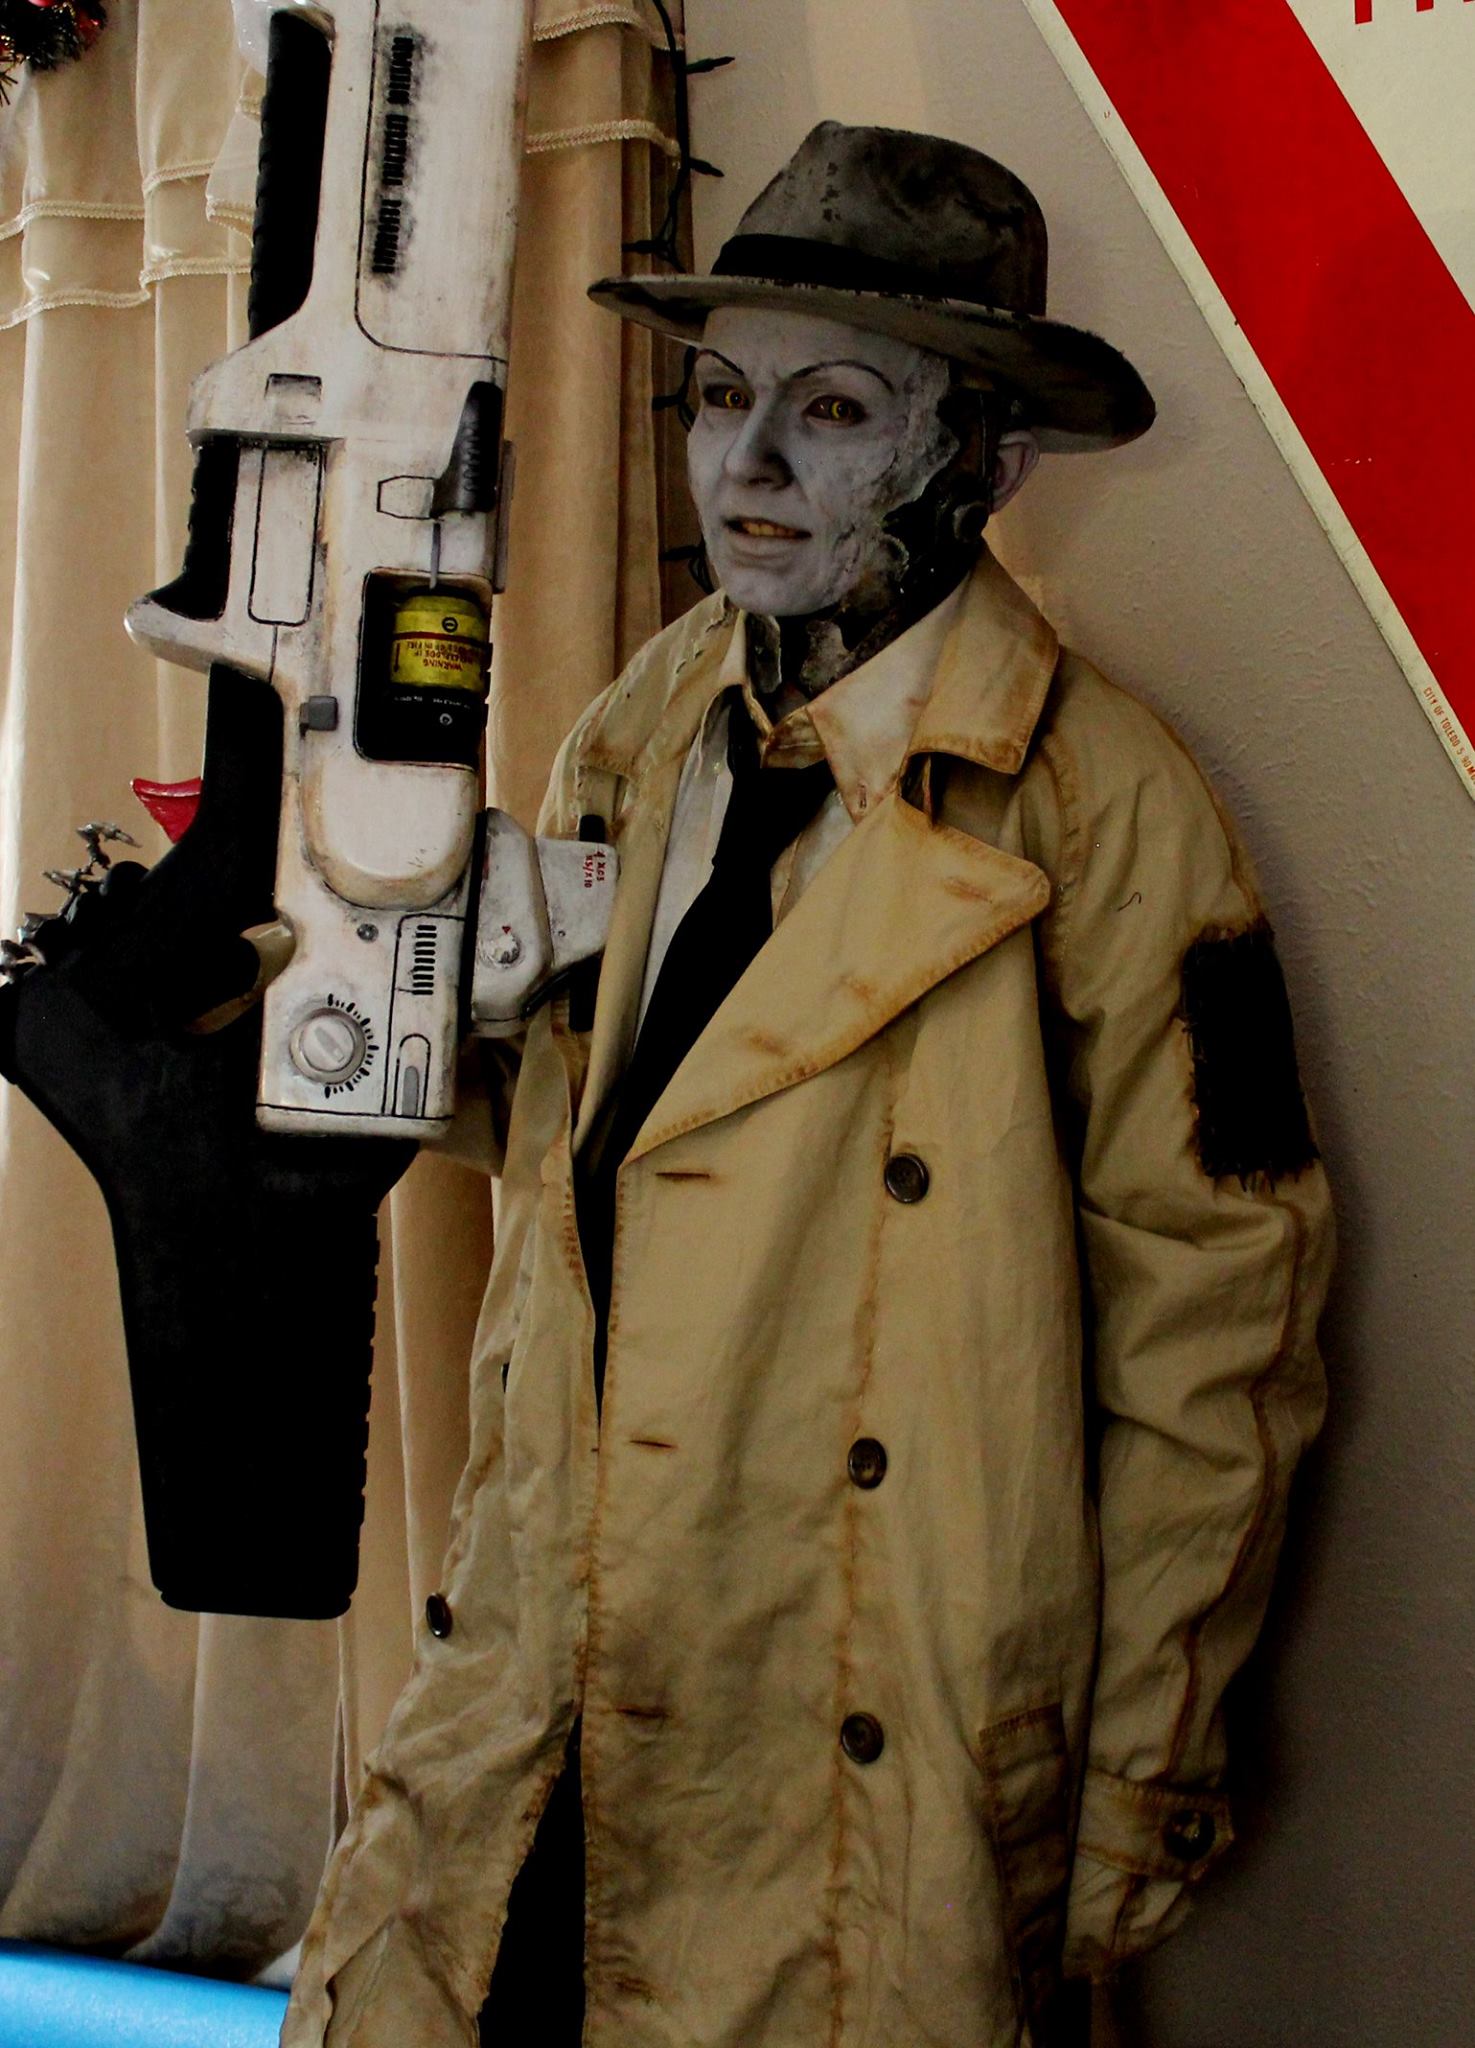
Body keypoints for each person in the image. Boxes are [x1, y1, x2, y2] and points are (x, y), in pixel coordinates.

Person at [283, 123, 1334, 2048]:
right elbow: (591, 1148)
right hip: (550, 1653)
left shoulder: (1105, 807)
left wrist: (1138, 1771)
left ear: (984, 464)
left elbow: (1217, 1332)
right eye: (719, 398)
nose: (747, 466)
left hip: (849, 1706)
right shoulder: (647, 717)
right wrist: (401, 1010)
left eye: (832, 411)